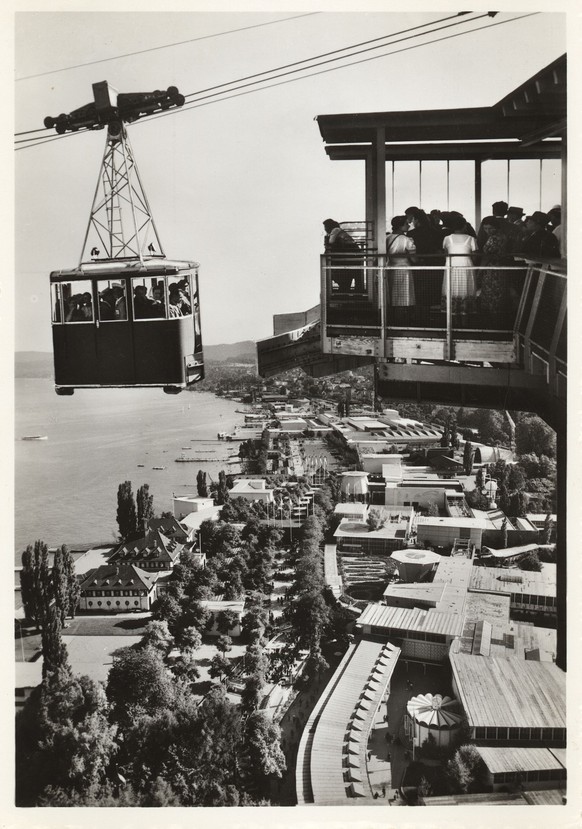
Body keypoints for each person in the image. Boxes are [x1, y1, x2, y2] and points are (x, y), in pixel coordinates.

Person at [477, 216, 513, 318]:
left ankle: (491, 319)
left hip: (491, 270)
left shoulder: (494, 238)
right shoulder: (502, 236)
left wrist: (480, 271)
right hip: (500, 269)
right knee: (497, 294)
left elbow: (486, 257)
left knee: (491, 294)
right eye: (485, 228)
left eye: (490, 228)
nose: (488, 231)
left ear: (496, 227)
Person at [442, 213, 478, 309]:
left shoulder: (447, 239)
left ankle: (453, 315)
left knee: (452, 287)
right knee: (466, 287)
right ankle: (465, 314)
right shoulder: (471, 239)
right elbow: (474, 257)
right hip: (466, 264)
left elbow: (445, 253)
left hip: (451, 265)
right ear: (464, 226)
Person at [386, 215, 416, 323]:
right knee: (404, 295)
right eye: (406, 224)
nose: (408, 225)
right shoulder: (406, 240)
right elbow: (414, 259)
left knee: (393, 294)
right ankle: (402, 320)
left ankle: (393, 320)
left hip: (390, 268)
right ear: (400, 226)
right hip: (404, 270)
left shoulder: (387, 238)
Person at [323, 218, 362, 293]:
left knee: (343, 275)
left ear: (329, 226)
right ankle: (349, 291)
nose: (325, 229)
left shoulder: (335, 230)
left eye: (325, 227)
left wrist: (326, 239)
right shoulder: (338, 230)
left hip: (351, 257)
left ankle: (345, 291)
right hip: (354, 256)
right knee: (350, 276)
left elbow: (330, 244)